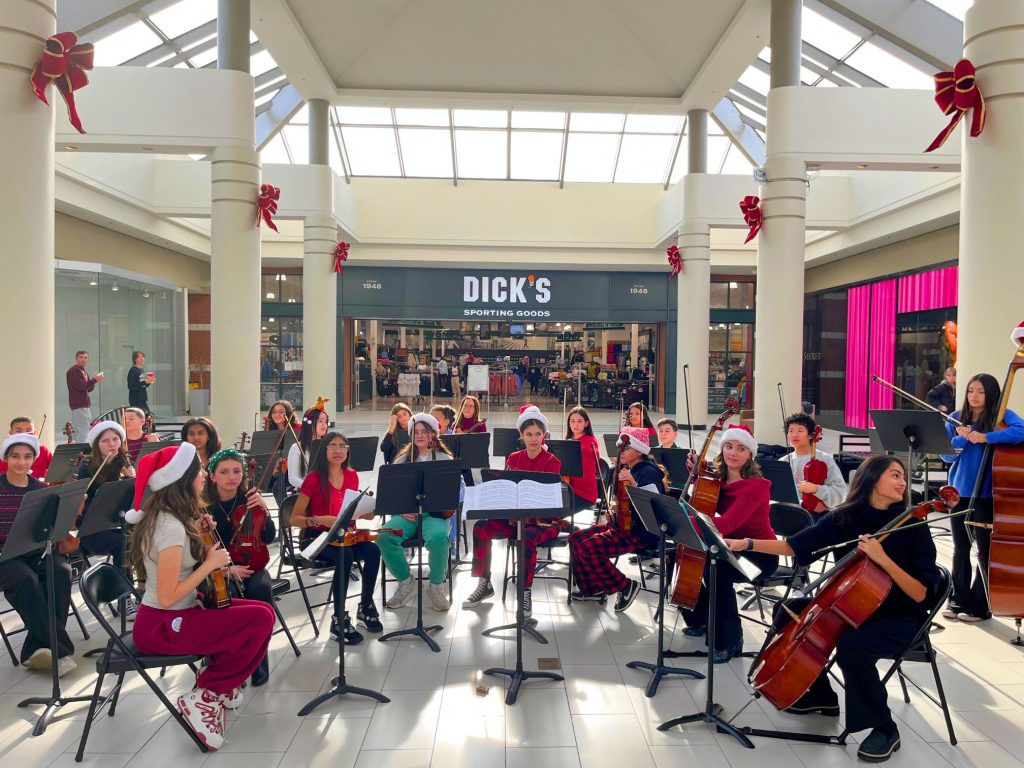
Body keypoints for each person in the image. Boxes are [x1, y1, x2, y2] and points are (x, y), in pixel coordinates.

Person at [726, 456, 939, 763]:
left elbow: (921, 593)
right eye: (895, 475)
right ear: (872, 478)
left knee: (853, 645)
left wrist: (882, 559)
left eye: (903, 477)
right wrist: (746, 543)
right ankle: (821, 697)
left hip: (901, 616)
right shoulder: (846, 517)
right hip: (853, 607)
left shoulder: (912, 524)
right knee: (788, 610)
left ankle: (884, 727)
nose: (902, 482)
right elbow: (795, 547)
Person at [129, 443, 275, 751]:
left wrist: (200, 535)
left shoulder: (175, 517)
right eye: (197, 472)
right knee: (259, 619)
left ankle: (220, 686)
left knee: (261, 611)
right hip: (163, 625)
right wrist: (210, 563)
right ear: (182, 480)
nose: (202, 478)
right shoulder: (168, 526)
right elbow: (167, 596)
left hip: (178, 614)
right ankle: (207, 694)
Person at [678, 425, 777, 663]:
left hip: (759, 555)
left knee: (717, 570)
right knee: (677, 558)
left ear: (750, 454)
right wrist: (697, 473)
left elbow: (728, 523)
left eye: (741, 448)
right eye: (729, 446)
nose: (733, 453)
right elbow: (706, 500)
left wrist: (682, 520)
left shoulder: (756, 487)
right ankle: (700, 619)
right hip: (729, 546)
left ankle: (731, 639)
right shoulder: (717, 479)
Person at [939, 372, 1024, 621]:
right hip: (959, 493)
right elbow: (947, 456)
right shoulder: (954, 419)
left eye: (980, 391)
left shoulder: (1001, 416)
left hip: (987, 493)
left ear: (991, 394)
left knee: (984, 550)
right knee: (960, 548)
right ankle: (958, 599)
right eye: (970, 391)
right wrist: (962, 438)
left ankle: (980, 605)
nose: (974, 396)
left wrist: (986, 436)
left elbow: (1021, 432)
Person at [464, 406, 563, 617]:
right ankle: (484, 582)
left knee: (526, 538)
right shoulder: (514, 458)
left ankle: (525, 591)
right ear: (522, 435)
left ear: (544, 435)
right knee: (482, 527)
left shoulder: (552, 462)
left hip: (543, 521)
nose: (534, 439)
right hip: (515, 519)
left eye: (538, 434)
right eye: (529, 434)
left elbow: (549, 501)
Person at [289, 431, 382, 642]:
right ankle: (338, 620)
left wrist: (365, 512)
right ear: (324, 450)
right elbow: (294, 518)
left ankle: (365, 605)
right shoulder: (313, 478)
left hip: (343, 535)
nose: (338, 450)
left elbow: (350, 510)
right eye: (333, 446)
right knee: (346, 556)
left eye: (343, 446)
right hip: (314, 538)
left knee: (373, 551)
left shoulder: (351, 475)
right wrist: (318, 520)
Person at [0, 434, 75, 675]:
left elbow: (53, 527)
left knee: (61, 571)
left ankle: (36, 648)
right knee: (26, 580)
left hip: (36, 553)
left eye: (27, 457)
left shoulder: (43, 490)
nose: (21, 462)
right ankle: (61, 651)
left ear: (34, 460)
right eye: (15, 456)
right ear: (5, 458)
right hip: (4, 557)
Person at [569, 427, 667, 612]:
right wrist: (615, 513)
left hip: (642, 532)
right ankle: (593, 589)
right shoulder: (629, 468)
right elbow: (625, 505)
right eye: (621, 446)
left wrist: (635, 485)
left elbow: (655, 508)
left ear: (639, 450)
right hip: (624, 526)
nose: (621, 450)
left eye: (627, 447)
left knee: (587, 548)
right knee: (575, 539)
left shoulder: (648, 472)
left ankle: (625, 585)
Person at [204, 449, 276, 687]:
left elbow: (268, 537)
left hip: (252, 565)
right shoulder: (204, 507)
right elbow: (197, 552)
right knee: (230, 598)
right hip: (218, 571)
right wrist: (226, 570)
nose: (231, 477)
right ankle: (230, 659)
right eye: (224, 472)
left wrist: (265, 510)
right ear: (212, 476)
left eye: (236, 471)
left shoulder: (250, 499)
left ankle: (259, 659)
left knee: (261, 590)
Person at [377, 414, 459, 612]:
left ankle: (436, 586)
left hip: (434, 515)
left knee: (439, 538)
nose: (420, 435)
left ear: (433, 434)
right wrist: (401, 509)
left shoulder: (444, 459)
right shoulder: (403, 459)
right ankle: (406, 582)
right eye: (416, 432)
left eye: (425, 432)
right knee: (384, 536)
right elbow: (391, 491)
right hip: (407, 515)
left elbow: (453, 492)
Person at [76, 420, 135, 575]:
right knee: (125, 543)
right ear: (97, 444)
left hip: (119, 524)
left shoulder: (123, 463)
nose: (112, 444)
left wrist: (133, 480)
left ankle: (141, 586)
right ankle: (125, 592)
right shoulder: (86, 467)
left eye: (115, 439)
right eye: (105, 440)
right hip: (93, 530)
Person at [780, 412, 847, 514]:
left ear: (811, 435)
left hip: (818, 515)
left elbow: (840, 493)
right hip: (789, 514)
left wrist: (816, 489)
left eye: (800, 430)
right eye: (791, 431)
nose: (794, 435)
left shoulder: (825, 459)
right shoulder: (784, 461)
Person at [287, 402, 329, 490]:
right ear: (309, 423)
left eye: (326, 421)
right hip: (305, 493)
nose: (324, 424)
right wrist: (312, 487)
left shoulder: (329, 446)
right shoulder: (296, 448)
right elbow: (292, 478)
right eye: (320, 421)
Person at [566, 406, 600, 510]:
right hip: (569, 489)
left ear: (586, 423)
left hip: (584, 494)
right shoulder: (567, 441)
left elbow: (585, 457)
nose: (575, 425)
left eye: (579, 421)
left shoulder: (590, 441)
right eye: (572, 421)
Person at [66, 351, 103, 443]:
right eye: (81, 357)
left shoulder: (83, 371)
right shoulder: (73, 371)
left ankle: (81, 447)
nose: (83, 359)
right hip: (79, 404)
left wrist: (94, 381)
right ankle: (81, 449)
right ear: (76, 359)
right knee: (82, 430)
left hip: (84, 404)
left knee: (84, 429)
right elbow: (80, 386)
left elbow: (88, 388)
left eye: (85, 357)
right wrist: (94, 380)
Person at [127, 351, 154, 415]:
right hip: (136, 400)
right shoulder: (132, 371)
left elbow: (142, 385)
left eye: (143, 357)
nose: (143, 359)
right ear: (135, 359)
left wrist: (149, 382)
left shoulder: (141, 370)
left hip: (142, 399)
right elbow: (131, 386)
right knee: (143, 417)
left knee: (147, 417)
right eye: (140, 357)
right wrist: (145, 382)